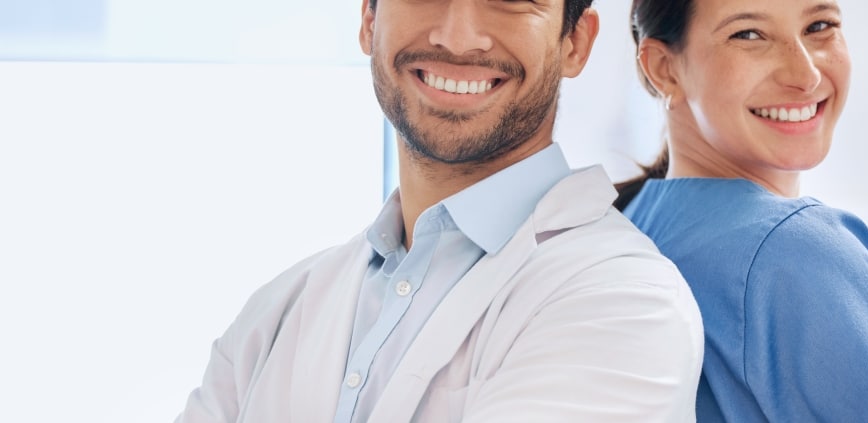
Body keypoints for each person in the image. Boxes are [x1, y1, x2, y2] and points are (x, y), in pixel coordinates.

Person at [176, 0, 705, 421]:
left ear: (576, 43)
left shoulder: (625, 303)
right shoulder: (278, 309)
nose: (457, 36)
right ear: (368, 19)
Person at [616, 0, 868, 421]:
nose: (805, 74)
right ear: (664, 68)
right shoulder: (793, 250)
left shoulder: (633, 222)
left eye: (820, 25)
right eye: (749, 34)